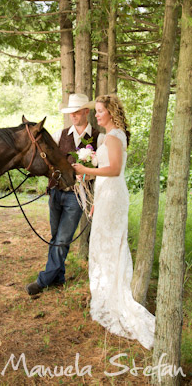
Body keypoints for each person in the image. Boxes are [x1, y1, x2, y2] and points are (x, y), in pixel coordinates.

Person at [72, 94, 155, 349]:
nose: (96, 115)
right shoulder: (103, 137)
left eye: (99, 111)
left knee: (110, 244)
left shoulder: (115, 136)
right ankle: (104, 292)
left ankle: (114, 297)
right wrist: (96, 197)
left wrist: (85, 170)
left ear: (110, 112)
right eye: (95, 111)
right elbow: (106, 169)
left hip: (115, 195)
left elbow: (115, 169)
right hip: (105, 195)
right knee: (102, 244)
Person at [26, 92, 99, 296]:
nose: (73, 116)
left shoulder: (98, 137)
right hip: (56, 193)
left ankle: (43, 281)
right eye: (71, 113)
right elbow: (49, 161)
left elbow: (101, 171)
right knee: (55, 236)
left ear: (86, 111)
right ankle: (58, 277)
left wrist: (90, 182)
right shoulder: (60, 135)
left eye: (76, 112)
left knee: (63, 239)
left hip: (77, 196)